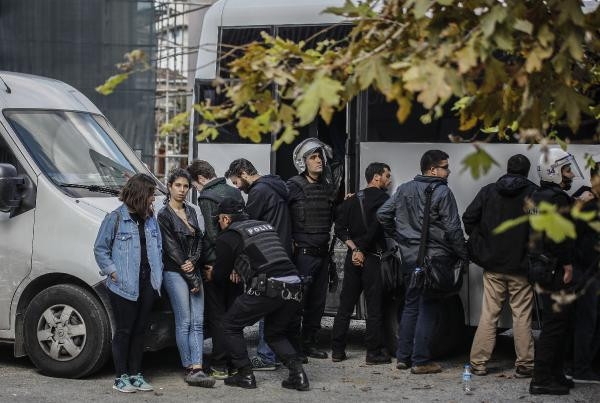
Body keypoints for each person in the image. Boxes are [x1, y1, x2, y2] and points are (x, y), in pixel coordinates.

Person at [377, 150, 468, 374]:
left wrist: (401, 237)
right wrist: (463, 254)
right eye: (445, 167)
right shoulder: (442, 192)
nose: (449, 171)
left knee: (410, 306)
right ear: (432, 170)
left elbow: (383, 214)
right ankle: (421, 360)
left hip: (409, 259)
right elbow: (454, 229)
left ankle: (403, 357)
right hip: (435, 259)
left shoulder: (404, 188)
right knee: (429, 307)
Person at [213, 198, 309, 391]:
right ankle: (298, 375)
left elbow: (219, 275)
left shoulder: (228, 236)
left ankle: (245, 375)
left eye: (218, 220)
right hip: (295, 284)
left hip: (269, 287)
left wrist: (213, 271)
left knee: (230, 325)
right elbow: (260, 256)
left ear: (225, 219)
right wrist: (239, 267)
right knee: (274, 333)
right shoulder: (264, 226)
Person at [462, 154, 538, 378]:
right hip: (521, 267)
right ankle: (525, 364)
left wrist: (481, 243)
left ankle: (478, 363)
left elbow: (468, 219)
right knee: (522, 316)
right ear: (526, 171)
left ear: (507, 169)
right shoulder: (533, 194)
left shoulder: (488, 191)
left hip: (493, 266)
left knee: (489, 314)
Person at [94, 174, 163, 393]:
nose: (153, 199)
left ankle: (135, 374)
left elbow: (158, 247)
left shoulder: (151, 219)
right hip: (123, 284)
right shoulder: (114, 218)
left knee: (140, 331)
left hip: (148, 283)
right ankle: (120, 377)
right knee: (124, 331)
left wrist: (157, 275)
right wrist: (113, 272)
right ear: (141, 194)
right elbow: (100, 249)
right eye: (151, 194)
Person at [225, 158, 292, 370]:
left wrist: (237, 264)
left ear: (244, 173)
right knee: (277, 304)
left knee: (265, 302)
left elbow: (247, 227)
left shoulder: (258, 191)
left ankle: (265, 356)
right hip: (283, 252)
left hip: (266, 255)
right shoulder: (277, 185)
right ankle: (278, 353)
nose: (237, 187)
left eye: (236, 182)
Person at [528, 148, 582, 395]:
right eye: (567, 169)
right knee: (555, 326)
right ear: (554, 171)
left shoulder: (538, 196)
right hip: (555, 268)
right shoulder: (557, 198)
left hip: (541, 266)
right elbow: (560, 236)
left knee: (558, 323)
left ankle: (555, 375)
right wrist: (568, 264)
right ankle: (541, 379)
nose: (570, 174)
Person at [157, 168, 215, 387]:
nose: (182, 190)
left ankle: (198, 368)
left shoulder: (192, 211)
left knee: (198, 321)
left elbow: (200, 238)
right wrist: (190, 271)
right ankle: (189, 366)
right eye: (178, 185)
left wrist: (195, 260)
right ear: (170, 187)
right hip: (174, 272)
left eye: (185, 186)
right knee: (185, 321)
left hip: (193, 269)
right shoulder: (164, 215)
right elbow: (171, 248)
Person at [187, 160, 244, 379]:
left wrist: (219, 266)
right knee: (234, 315)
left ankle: (220, 364)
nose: (195, 189)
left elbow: (212, 235)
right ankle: (236, 362)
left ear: (201, 179)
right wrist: (236, 263)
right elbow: (241, 229)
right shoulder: (234, 191)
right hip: (237, 266)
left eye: (193, 185)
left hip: (216, 265)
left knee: (218, 316)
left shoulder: (206, 197)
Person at [331, 162, 392, 364]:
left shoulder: (351, 200)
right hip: (372, 257)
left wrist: (354, 249)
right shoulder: (384, 199)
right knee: (374, 307)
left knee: (345, 306)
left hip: (353, 258)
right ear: (376, 177)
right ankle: (373, 353)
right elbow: (376, 228)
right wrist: (362, 250)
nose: (389, 180)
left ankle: (338, 350)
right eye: (387, 176)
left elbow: (339, 228)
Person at [287, 138, 337, 360]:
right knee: (298, 303)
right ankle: (294, 347)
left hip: (323, 255)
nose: (319, 161)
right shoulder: (293, 186)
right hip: (303, 256)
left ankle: (309, 343)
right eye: (313, 158)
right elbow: (282, 216)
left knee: (317, 304)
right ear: (303, 162)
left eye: (320, 157)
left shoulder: (326, 188)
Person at [570, 158, 600, 384]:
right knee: (587, 321)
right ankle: (580, 368)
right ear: (592, 179)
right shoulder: (583, 199)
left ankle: (590, 364)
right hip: (586, 271)